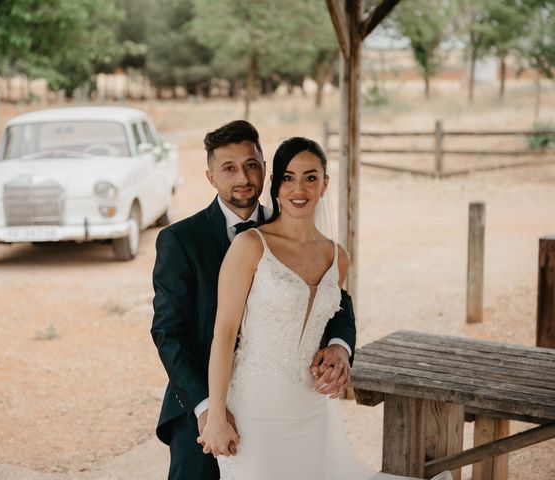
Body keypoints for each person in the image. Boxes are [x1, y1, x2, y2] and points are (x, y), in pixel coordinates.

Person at [197, 137, 452, 480]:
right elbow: (224, 335)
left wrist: (339, 348)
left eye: (310, 177)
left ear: (324, 183)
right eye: (288, 177)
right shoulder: (250, 246)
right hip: (253, 412)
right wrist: (215, 415)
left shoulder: (338, 257)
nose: (298, 188)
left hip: (313, 409)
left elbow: (335, 317)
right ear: (276, 186)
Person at [151, 122, 358, 480]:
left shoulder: (291, 228)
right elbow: (169, 333)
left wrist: (340, 346)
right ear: (211, 177)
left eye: (251, 165)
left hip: (286, 403)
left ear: (266, 170)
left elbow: (336, 301)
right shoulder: (180, 240)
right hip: (201, 406)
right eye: (229, 169)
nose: (243, 177)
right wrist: (207, 411)